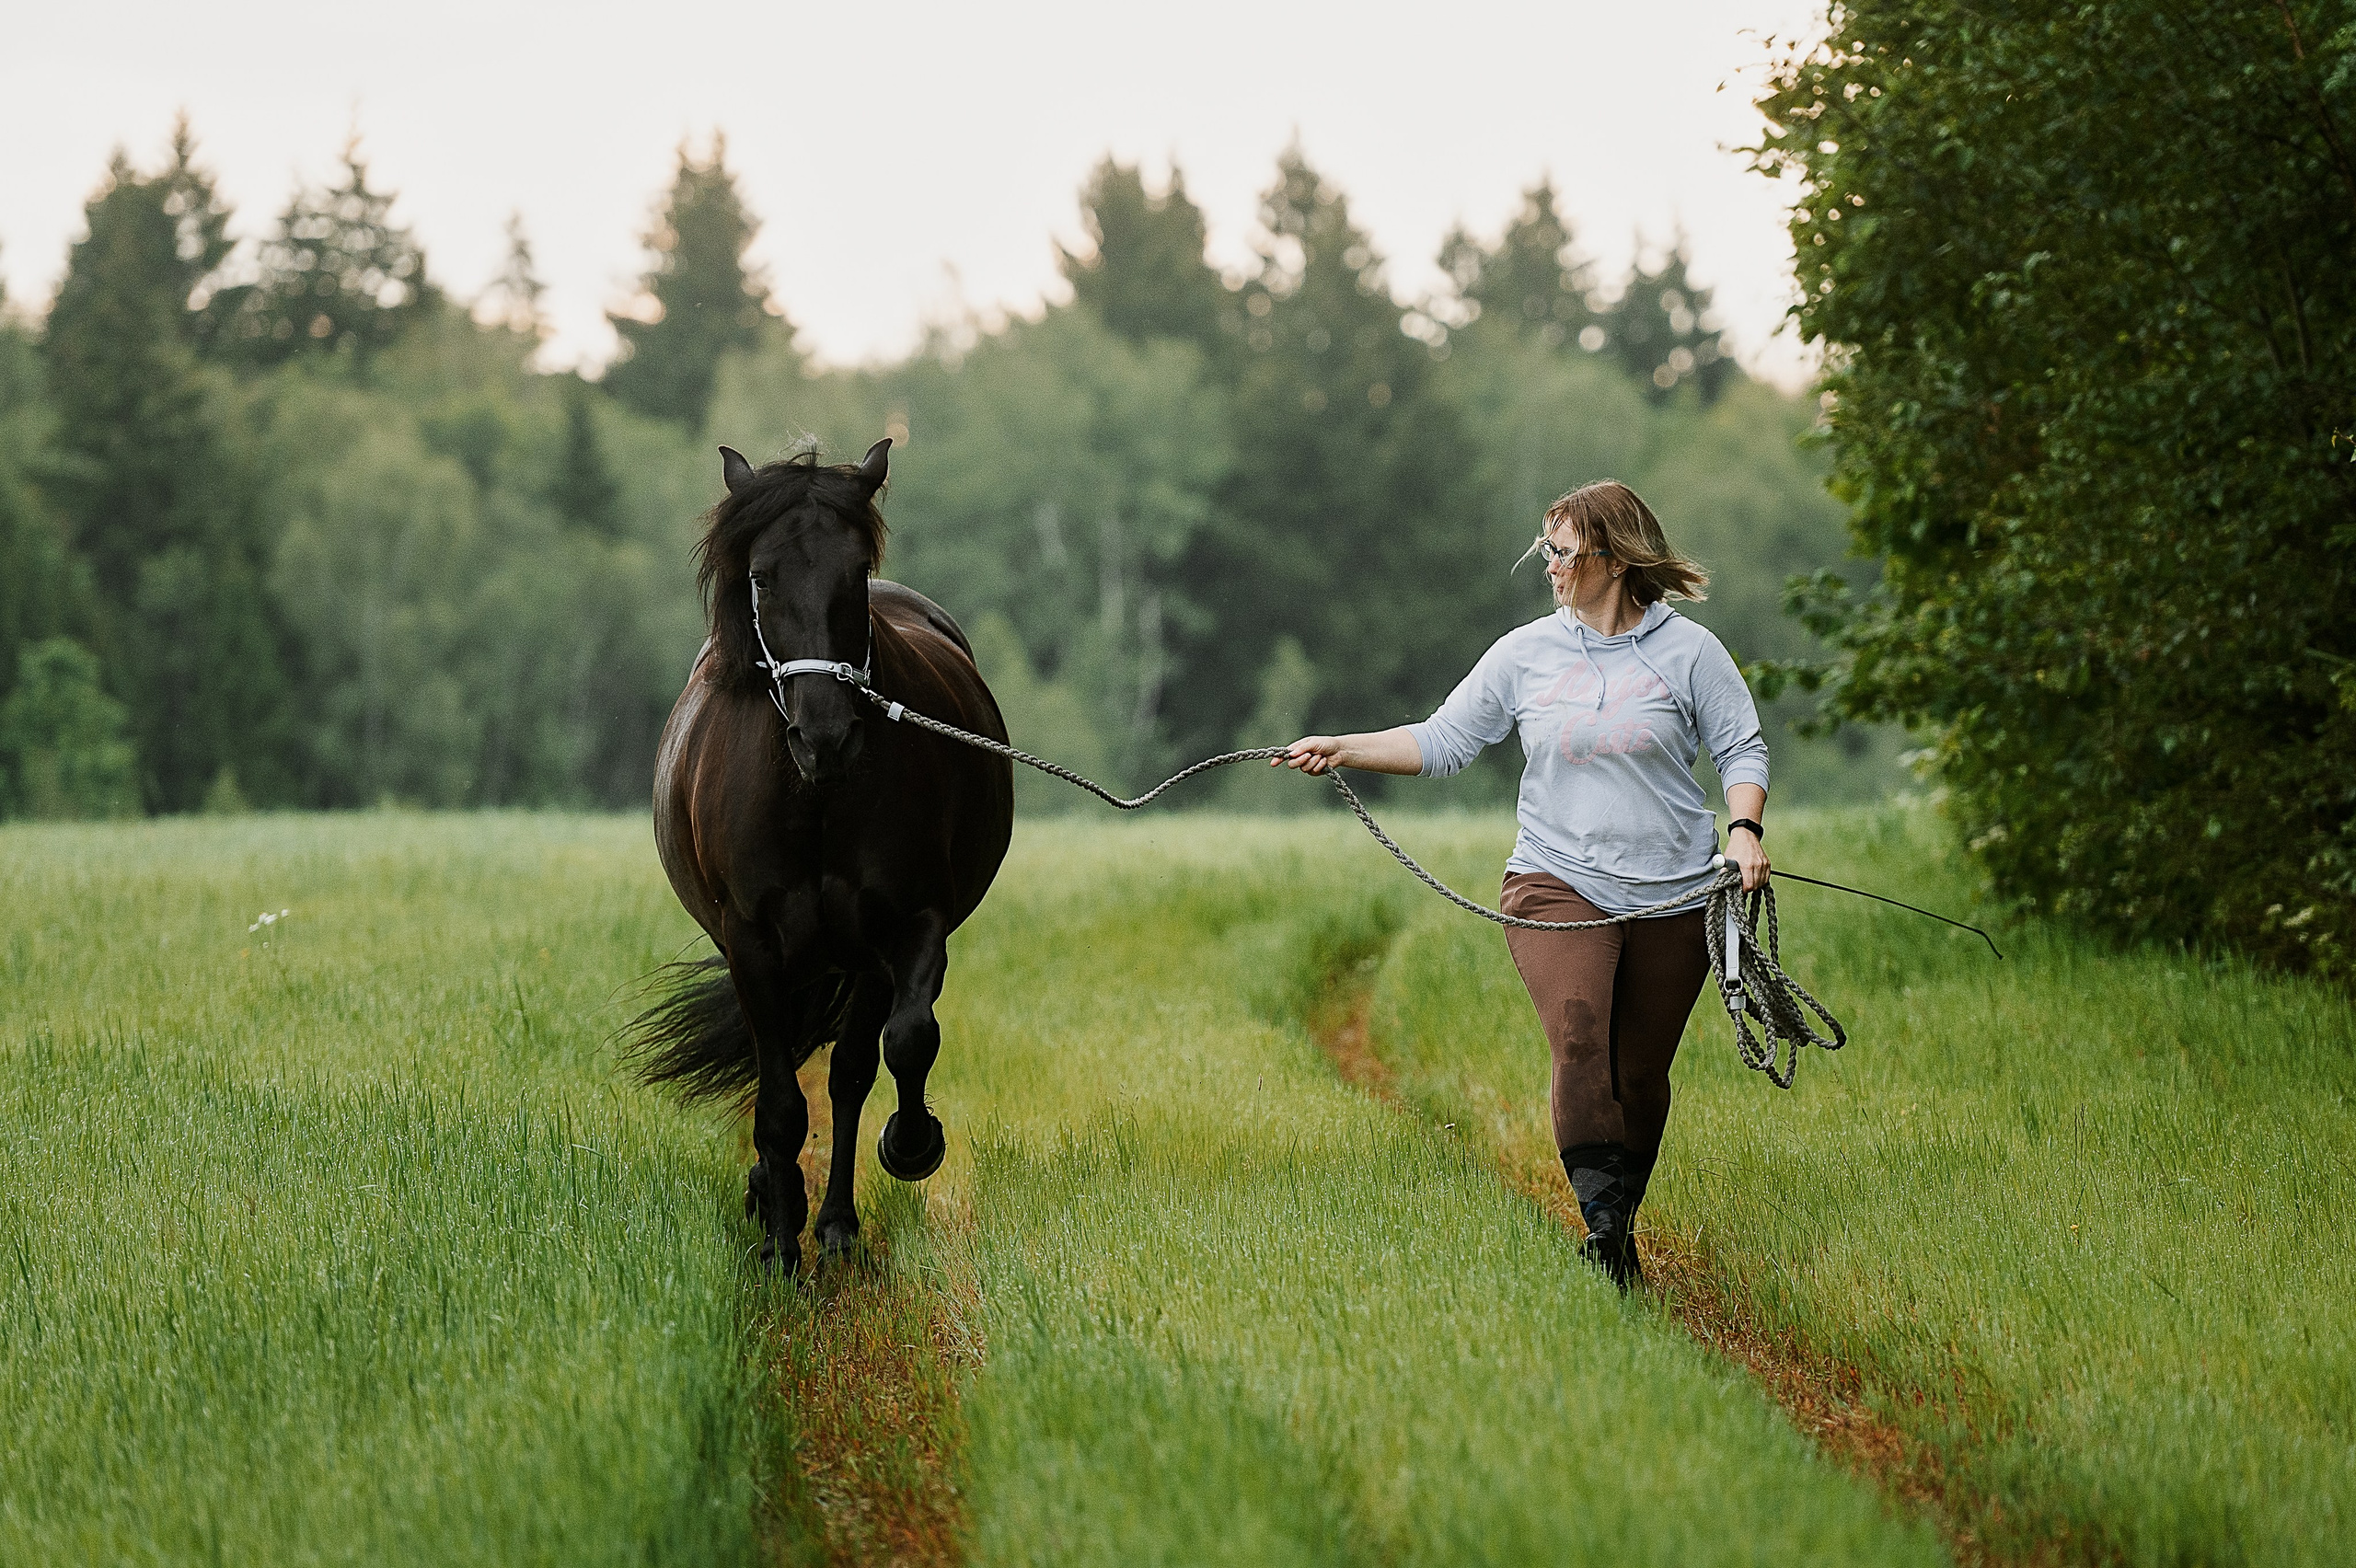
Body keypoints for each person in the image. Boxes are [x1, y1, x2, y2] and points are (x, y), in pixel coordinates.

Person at [1277, 479, 1770, 1289]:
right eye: (1545, 548)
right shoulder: (1525, 653)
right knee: (1579, 1036)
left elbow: (1741, 750)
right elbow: (1442, 740)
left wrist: (1744, 830)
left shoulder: (1690, 653)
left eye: (1562, 551)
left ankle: (1619, 1216)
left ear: (1612, 557)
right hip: (1554, 879)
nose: (1547, 565)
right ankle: (1605, 1237)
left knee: (1639, 1077)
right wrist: (1343, 746)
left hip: (1673, 890)